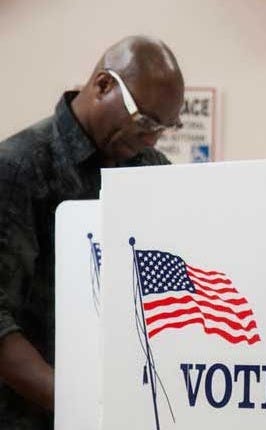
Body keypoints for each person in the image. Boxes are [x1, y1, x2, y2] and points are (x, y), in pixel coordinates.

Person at [0, 35, 184, 429]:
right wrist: (84, 406)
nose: (151, 139)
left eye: (164, 128)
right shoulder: (17, 169)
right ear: (103, 86)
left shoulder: (151, 169)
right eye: (145, 122)